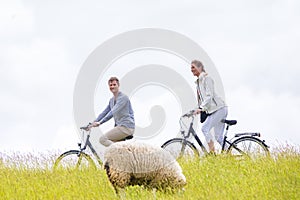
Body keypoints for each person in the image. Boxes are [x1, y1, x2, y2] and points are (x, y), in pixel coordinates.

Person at [190, 60, 228, 153]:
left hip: (219, 108)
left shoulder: (207, 78)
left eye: (193, 67)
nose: (191, 70)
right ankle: (230, 154)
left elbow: (209, 96)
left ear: (200, 68)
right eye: (191, 68)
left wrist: (201, 108)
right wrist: (195, 110)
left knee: (204, 128)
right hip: (216, 110)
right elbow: (202, 100)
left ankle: (212, 154)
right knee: (218, 137)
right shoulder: (199, 82)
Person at [89, 77, 135, 147]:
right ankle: (122, 154)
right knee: (114, 147)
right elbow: (104, 112)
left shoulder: (123, 98)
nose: (112, 86)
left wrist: (100, 122)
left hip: (126, 127)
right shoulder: (111, 100)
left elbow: (113, 112)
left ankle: (118, 150)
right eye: (110, 85)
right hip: (120, 127)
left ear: (118, 85)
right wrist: (92, 123)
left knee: (103, 139)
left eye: (114, 85)